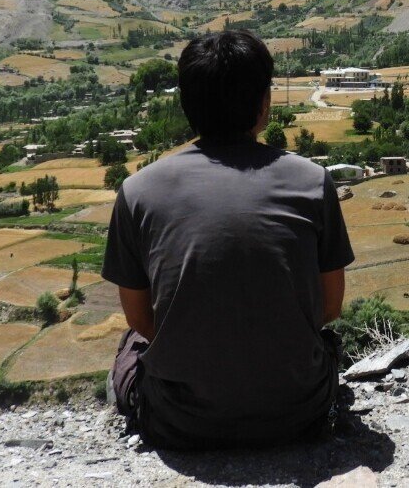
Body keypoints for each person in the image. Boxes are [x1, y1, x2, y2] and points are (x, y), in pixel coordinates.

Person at [104, 30, 355, 449]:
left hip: (179, 423)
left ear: (187, 105)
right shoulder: (312, 181)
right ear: (264, 103)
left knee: (132, 344)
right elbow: (328, 308)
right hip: (298, 412)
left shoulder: (137, 191)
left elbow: (141, 320)